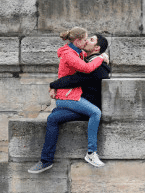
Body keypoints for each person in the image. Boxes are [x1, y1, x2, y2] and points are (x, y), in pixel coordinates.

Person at [28, 28, 109, 174]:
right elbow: (73, 77)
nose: (87, 41)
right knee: (53, 118)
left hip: (88, 107)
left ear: (96, 48)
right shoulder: (81, 56)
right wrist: (54, 85)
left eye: (90, 39)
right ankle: (46, 161)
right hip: (79, 104)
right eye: (86, 38)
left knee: (95, 112)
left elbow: (75, 79)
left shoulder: (96, 65)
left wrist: (54, 85)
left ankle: (91, 153)